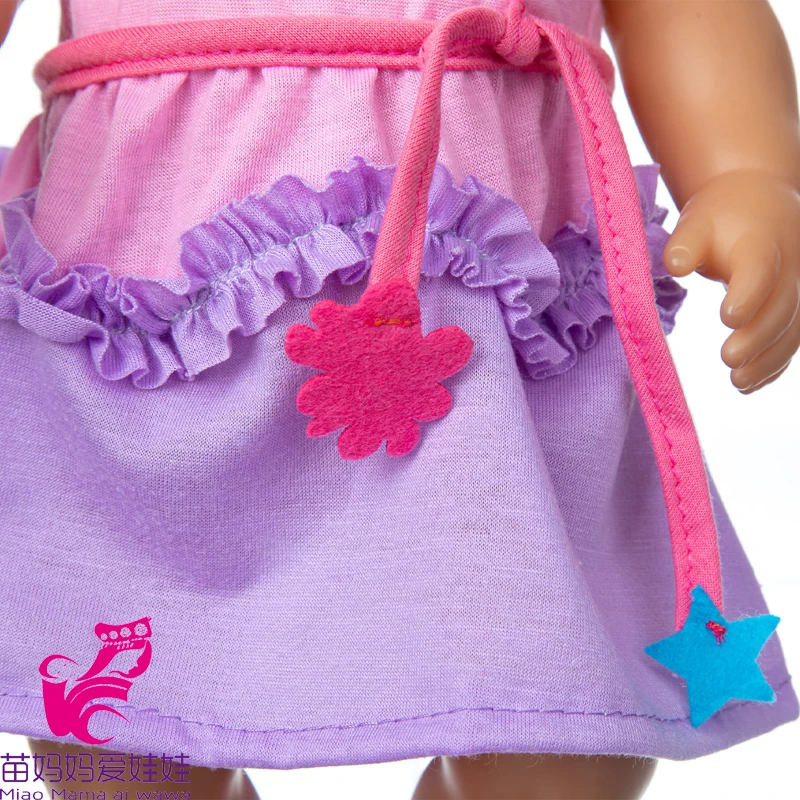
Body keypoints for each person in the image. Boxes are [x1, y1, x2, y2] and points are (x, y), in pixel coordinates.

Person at [1, 1, 797, 798]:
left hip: (497, 311)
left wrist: (745, 168)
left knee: (560, 735)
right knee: (128, 742)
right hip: (145, 298)